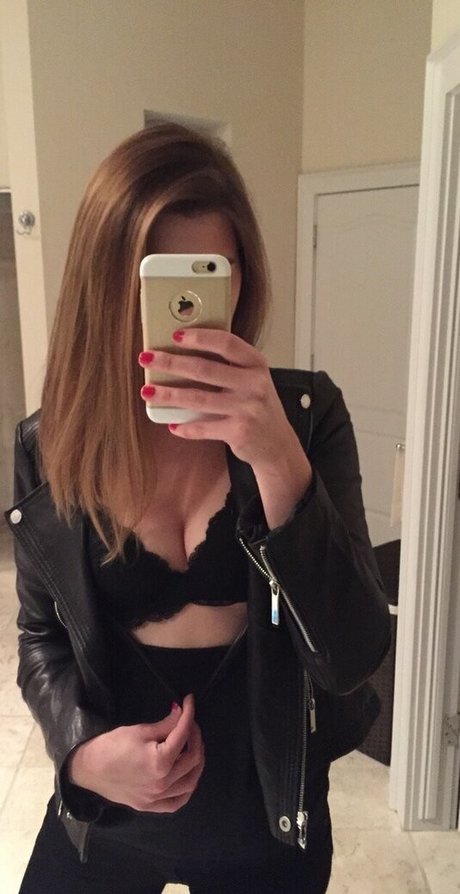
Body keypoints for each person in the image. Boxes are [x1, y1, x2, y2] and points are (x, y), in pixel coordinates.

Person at [6, 123, 390, 894]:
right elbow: (41, 634)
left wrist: (277, 460)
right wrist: (81, 755)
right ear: (105, 287)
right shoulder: (54, 444)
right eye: (155, 281)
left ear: (242, 279)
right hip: (109, 822)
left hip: (267, 825)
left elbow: (352, 657)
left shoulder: (304, 419)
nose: (182, 313)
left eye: (211, 274)